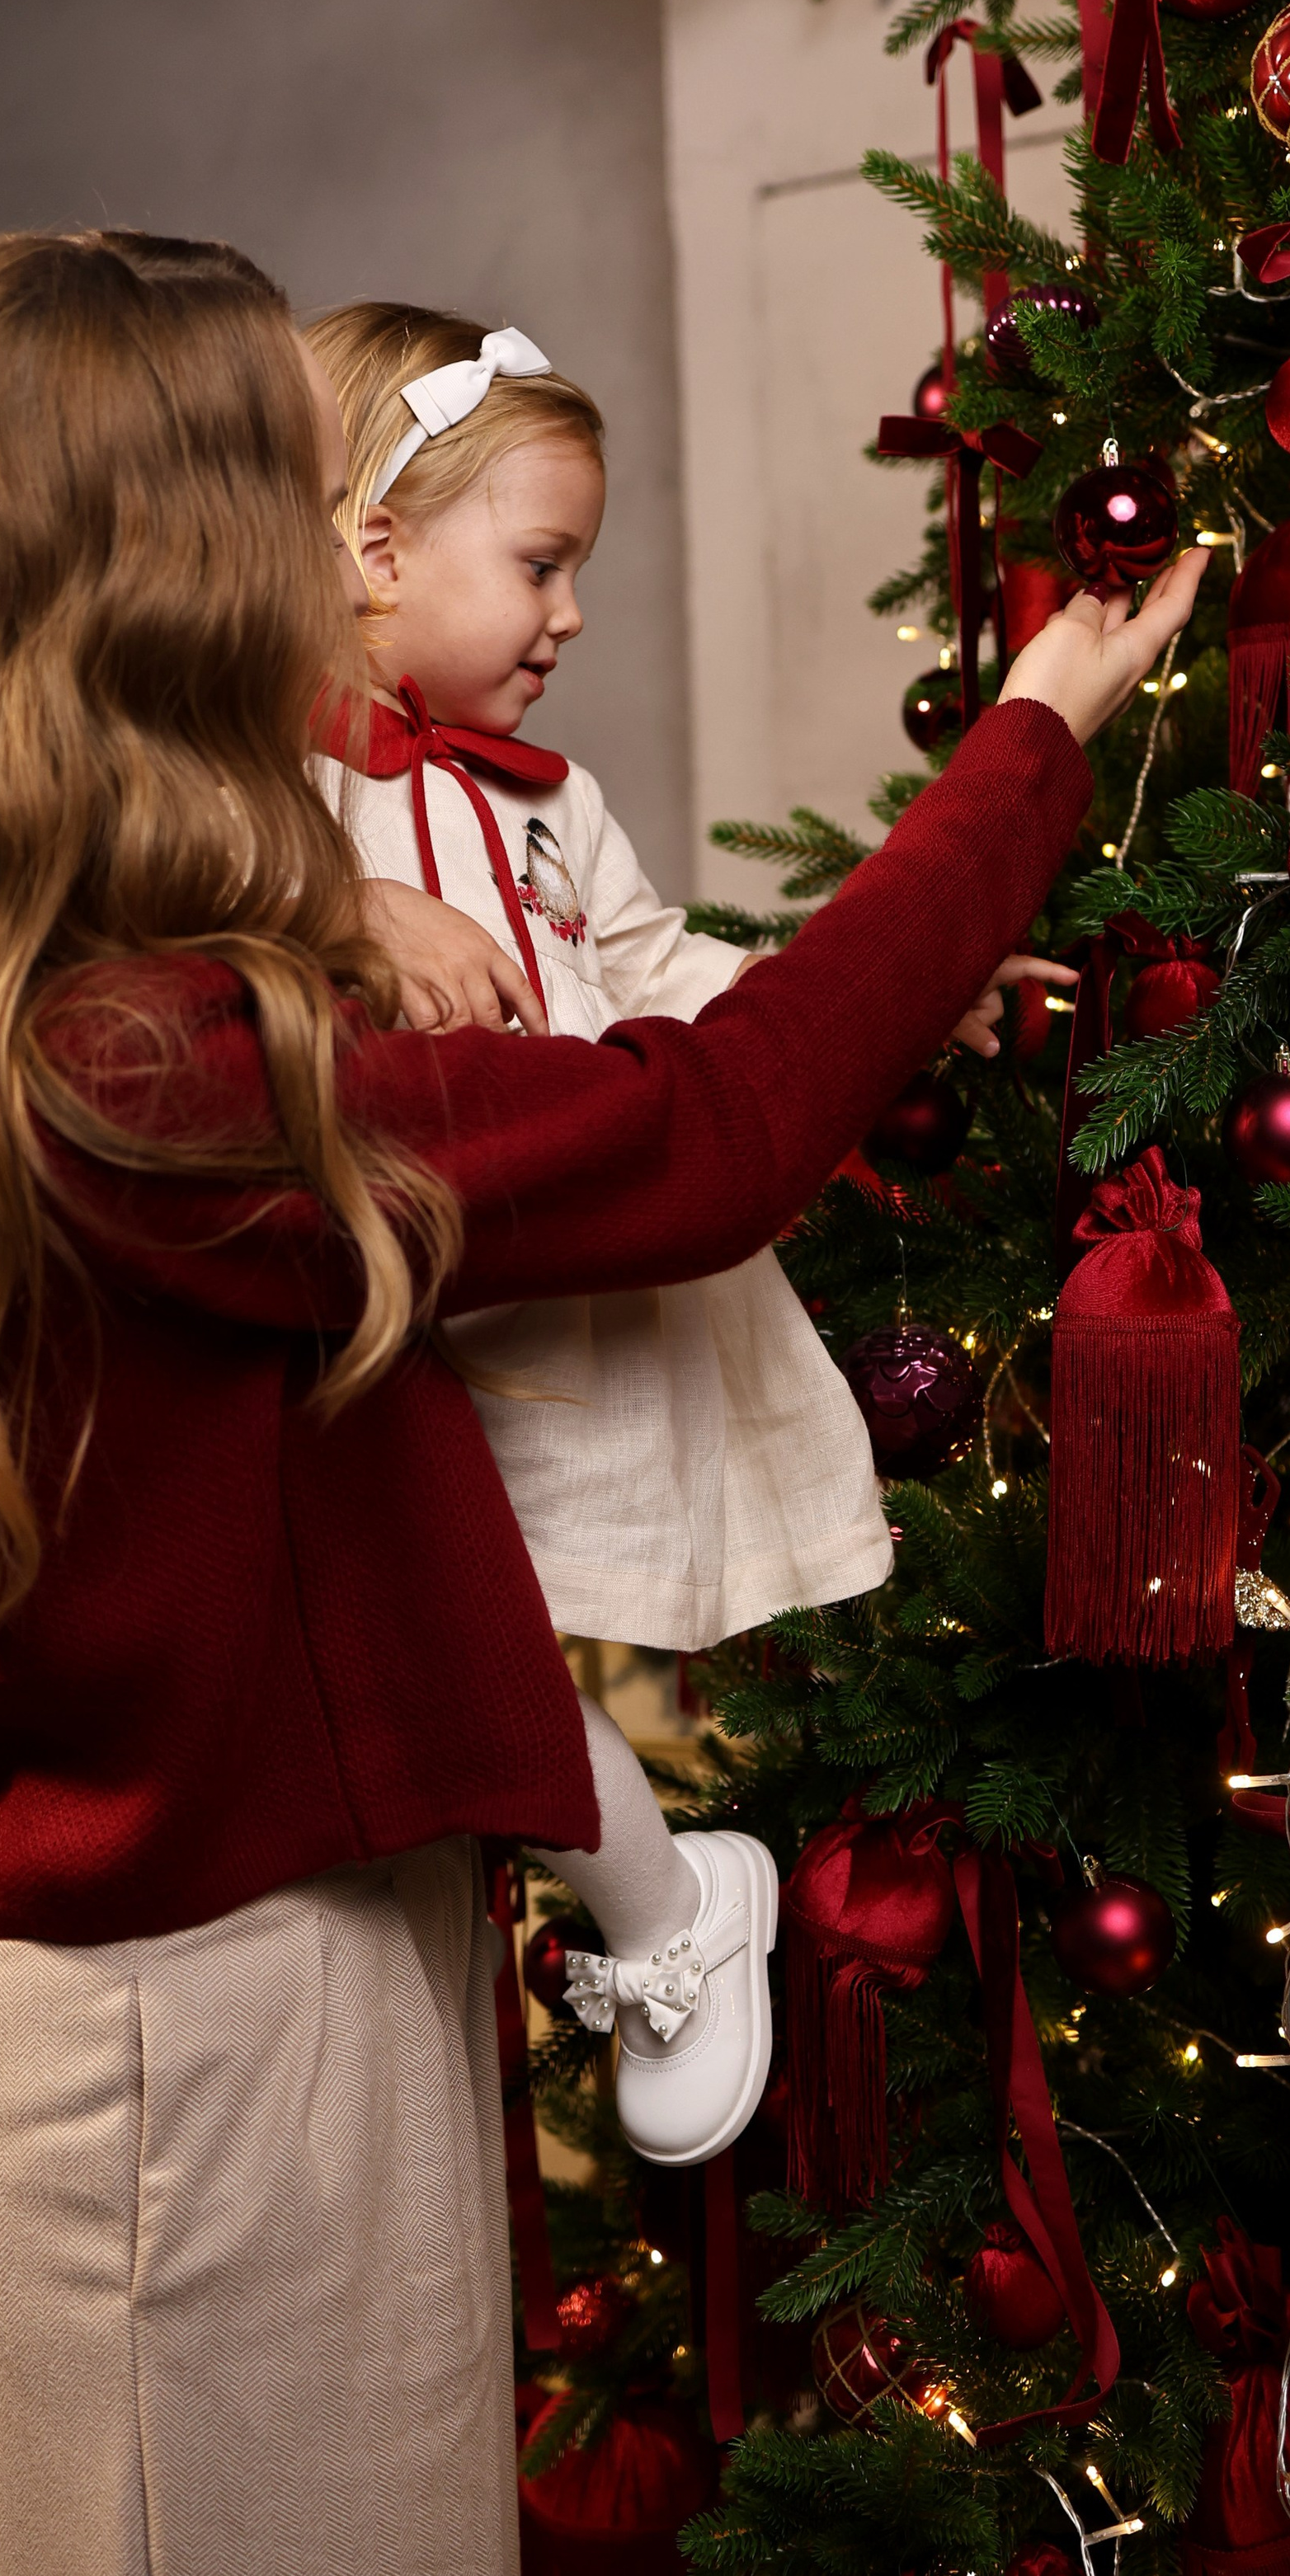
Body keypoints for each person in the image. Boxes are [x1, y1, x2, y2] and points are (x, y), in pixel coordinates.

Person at [0, 228, 1205, 2576]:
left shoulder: (97, 974)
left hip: (277, 1989)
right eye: (299, 489)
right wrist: (1027, 743)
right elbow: (695, 1142)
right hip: (211, 2059)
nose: (352, 542)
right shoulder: (141, 1070)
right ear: (170, 577)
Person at [303, 300, 1076, 2169]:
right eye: (541, 565)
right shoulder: (273, 796)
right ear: (374, 553)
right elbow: (189, 921)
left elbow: (673, 979)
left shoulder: (554, 807)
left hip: (577, 1266)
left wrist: (903, 991)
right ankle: (654, 1908)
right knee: (432, 1633)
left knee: (495, 1645)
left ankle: (635, 1912)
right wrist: (338, 907)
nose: (568, 617)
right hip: (416, 1298)